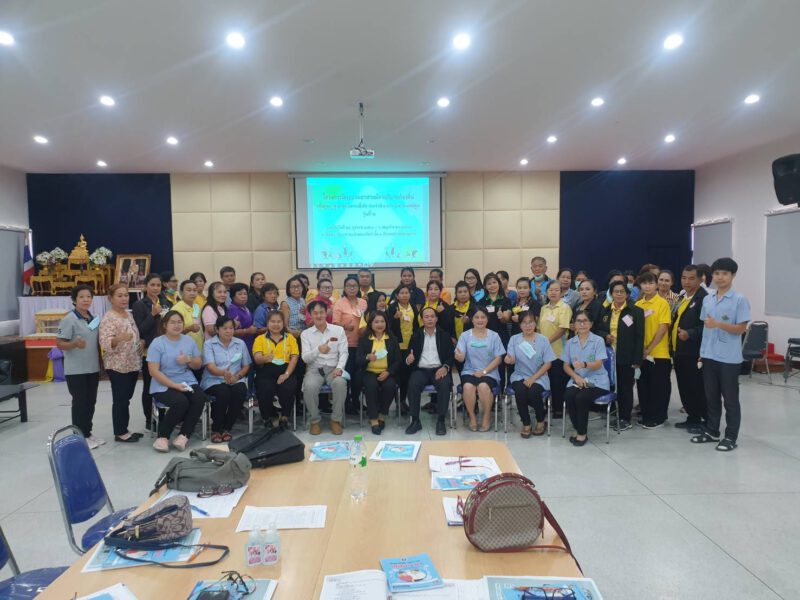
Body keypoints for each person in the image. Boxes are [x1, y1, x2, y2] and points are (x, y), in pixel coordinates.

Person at [691, 258, 750, 452]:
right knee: (711, 397)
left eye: (725, 273)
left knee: (730, 399)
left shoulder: (739, 299)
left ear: (733, 275)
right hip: (709, 356)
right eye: (717, 273)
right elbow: (706, 329)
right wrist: (701, 354)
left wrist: (719, 324)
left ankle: (731, 436)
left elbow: (741, 329)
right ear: (711, 276)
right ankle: (711, 431)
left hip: (729, 359)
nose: (720, 277)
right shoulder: (708, 299)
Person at [148, 310, 207, 452]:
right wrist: (174, 385)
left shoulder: (189, 340)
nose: (176, 325)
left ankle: (184, 435)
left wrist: (189, 360)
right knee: (181, 401)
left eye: (179, 322)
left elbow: (198, 364)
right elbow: (153, 371)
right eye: (172, 322)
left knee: (199, 397)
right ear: (164, 325)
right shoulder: (157, 343)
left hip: (186, 379)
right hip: (163, 382)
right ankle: (162, 437)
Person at [56, 285, 103, 448]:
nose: (85, 300)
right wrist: (74, 344)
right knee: (80, 402)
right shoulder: (69, 318)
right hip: (76, 370)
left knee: (91, 401)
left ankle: (88, 433)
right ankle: (78, 436)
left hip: (92, 367)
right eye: (81, 297)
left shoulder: (94, 318)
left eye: (89, 297)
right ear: (75, 300)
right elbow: (60, 343)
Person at [597, 281, 644, 432]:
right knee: (612, 386)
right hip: (608, 357)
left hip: (626, 356)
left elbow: (639, 337)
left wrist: (637, 360)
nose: (618, 294)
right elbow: (598, 330)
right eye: (615, 291)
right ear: (611, 294)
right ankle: (614, 415)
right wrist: (605, 336)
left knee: (625, 388)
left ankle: (625, 418)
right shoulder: (605, 311)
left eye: (621, 291)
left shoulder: (635, 311)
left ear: (627, 294)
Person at [99, 284, 144, 443]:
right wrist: (118, 339)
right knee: (120, 399)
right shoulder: (109, 318)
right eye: (119, 295)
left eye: (126, 295)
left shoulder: (127, 314)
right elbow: (104, 342)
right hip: (118, 365)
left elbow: (133, 335)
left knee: (127, 397)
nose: (124, 298)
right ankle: (120, 432)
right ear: (110, 298)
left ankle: (125, 429)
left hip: (132, 362)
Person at [562, 310, 610, 446]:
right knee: (569, 395)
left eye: (585, 321)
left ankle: (582, 434)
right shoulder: (570, 342)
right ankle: (577, 428)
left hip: (597, 380)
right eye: (578, 321)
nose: (582, 324)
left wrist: (584, 364)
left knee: (581, 398)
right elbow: (565, 365)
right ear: (574, 324)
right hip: (578, 379)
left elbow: (599, 363)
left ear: (591, 324)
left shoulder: (598, 341)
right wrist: (576, 377)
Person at [301, 300, 349, 435]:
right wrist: (318, 350)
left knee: (340, 383)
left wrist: (340, 368)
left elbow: (344, 352)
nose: (319, 315)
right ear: (310, 314)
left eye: (321, 312)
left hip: (333, 368)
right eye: (315, 313)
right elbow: (305, 358)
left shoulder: (338, 330)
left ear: (326, 312)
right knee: (309, 386)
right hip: (314, 370)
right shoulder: (306, 334)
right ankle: (315, 421)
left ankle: (335, 420)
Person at [505, 311, 556, 437]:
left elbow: (548, 363)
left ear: (535, 323)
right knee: (520, 391)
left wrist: (533, 378)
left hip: (539, 376)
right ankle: (526, 423)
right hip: (520, 375)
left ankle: (540, 420)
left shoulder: (543, 340)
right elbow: (511, 358)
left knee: (533, 392)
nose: (528, 326)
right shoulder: (514, 339)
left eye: (531, 322)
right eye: (524, 323)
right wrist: (509, 359)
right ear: (520, 325)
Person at [405, 306, 455, 435]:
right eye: (426, 317)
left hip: (439, 369)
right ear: (422, 319)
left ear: (437, 319)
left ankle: (441, 420)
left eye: (432, 316)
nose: (430, 319)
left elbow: (451, 356)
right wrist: (409, 359)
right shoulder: (416, 335)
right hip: (421, 369)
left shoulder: (444, 335)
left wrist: (445, 367)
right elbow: (409, 354)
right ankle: (415, 420)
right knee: (413, 384)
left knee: (445, 385)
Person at [201, 315, 251, 443]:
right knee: (223, 393)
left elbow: (246, 366)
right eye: (225, 328)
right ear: (217, 329)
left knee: (239, 391)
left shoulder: (240, 343)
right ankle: (217, 429)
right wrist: (224, 374)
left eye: (231, 328)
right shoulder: (209, 344)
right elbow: (211, 367)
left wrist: (237, 376)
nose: (228, 331)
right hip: (214, 379)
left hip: (236, 379)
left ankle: (227, 428)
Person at [455, 307, 505, 432]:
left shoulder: (494, 336)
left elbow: (499, 358)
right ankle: (472, 417)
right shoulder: (465, 335)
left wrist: (484, 372)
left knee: (483, 386)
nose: (480, 320)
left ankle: (487, 416)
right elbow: (460, 356)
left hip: (489, 371)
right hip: (469, 370)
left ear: (487, 319)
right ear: (472, 320)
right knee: (467, 387)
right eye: (476, 317)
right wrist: (459, 357)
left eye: (483, 317)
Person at [671, 265, 708, 434]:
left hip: (694, 351)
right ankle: (692, 416)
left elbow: (707, 326)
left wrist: (690, 333)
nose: (686, 281)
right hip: (679, 350)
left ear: (701, 279)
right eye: (683, 277)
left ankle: (705, 420)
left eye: (691, 278)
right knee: (684, 386)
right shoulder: (682, 297)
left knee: (697, 387)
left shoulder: (704, 299)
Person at [634, 272, 672, 429]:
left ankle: (659, 418)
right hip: (641, 355)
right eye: (644, 283)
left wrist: (649, 348)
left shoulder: (662, 303)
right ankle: (647, 415)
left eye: (650, 283)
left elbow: (663, 328)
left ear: (656, 285)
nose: (647, 286)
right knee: (643, 386)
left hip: (659, 354)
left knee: (659, 387)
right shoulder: (637, 305)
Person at [253, 311, 299, 429]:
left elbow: (294, 357)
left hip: (286, 370)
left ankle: (284, 417)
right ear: (267, 323)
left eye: (279, 321)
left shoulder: (290, 338)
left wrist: (286, 374)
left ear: (283, 323)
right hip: (266, 371)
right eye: (273, 321)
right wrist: (265, 358)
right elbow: (257, 359)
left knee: (288, 387)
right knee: (265, 389)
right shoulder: (260, 339)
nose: (276, 324)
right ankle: (266, 417)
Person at [357, 311, 401, 434]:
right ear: (370, 324)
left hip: (387, 372)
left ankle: (382, 413)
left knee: (390, 385)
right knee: (371, 386)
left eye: (382, 321)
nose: (380, 324)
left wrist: (388, 372)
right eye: (376, 322)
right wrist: (367, 357)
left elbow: (398, 360)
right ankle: (373, 418)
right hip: (369, 372)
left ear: (386, 323)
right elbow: (358, 360)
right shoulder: (365, 340)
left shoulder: (392, 339)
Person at [132, 273, 165, 430]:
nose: (156, 288)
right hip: (149, 351)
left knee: (164, 385)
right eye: (152, 285)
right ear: (146, 286)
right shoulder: (139, 305)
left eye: (158, 285)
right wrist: (153, 314)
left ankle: (163, 416)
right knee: (149, 387)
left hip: (166, 350)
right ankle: (149, 419)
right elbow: (140, 329)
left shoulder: (164, 302)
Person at [333, 275, 368, 412]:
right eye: (349, 285)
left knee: (358, 375)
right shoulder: (339, 303)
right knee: (346, 374)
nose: (352, 288)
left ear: (358, 287)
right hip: (345, 345)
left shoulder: (363, 303)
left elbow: (367, 320)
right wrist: (344, 326)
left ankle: (356, 400)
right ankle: (346, 402)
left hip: (361, 344)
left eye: (354, 285)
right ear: (345, 288)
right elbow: (335, 323)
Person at [538, 280, 572, 415]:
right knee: (546, 380)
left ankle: (558, 409)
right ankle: (547, 405)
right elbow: (539, 329)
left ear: (561, 292)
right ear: (546, 292)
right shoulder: (543, 308)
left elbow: (563, 329)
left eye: (556, 290)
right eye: (550, 290)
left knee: (558, 381)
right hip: (544, 352)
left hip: (559, 351)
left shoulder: (564, 307)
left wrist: (546, 342)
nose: (553, 292)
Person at [386, 283, 419, 405]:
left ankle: (404, 400)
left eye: (407, 293)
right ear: (397, 295)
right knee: (398, 375)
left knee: (408, 374)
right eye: (402, 293)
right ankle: (398, 400)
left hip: (410, 345)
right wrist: (394, 318)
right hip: (396, 346)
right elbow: (387, 327)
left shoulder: (413, 307)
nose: (405, 295)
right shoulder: (392, 307)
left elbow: (416, 325)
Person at [478, 273, 513, 385]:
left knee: (501, 365)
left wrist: (502, 317)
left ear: (499, 284)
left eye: (494, 282)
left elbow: (507, 318)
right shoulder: (481, 302)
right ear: (485, 286)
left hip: (501, 337)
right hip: (485, 338)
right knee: (486, 363)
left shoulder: (505, 301)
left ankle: (501, 393)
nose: (492, 285)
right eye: (489, 283)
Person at [171, 280, 204, 355]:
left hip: (198, 349)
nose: (192, 293)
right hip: (183, 351)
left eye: (195, 290)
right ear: (181, 292)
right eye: (189, 290)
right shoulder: (177, 309)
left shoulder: (197, 307)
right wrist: (189, 329)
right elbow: (172, 333)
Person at [228, 282, 257, 353]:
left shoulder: (245, 307)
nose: (243, 296)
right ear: (233, 296)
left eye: (245, 294)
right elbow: (230, 331)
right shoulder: (233, 310)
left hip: (249, 344)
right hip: (239, 347)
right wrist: (247, 331)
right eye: (240, 294)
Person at [281, 276, 307, 340]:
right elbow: (285, 326)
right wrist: (293, 333)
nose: (296, 289)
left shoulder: (303, 300)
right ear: (288, 289)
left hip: (304, 334)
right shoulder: (285, 303)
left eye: (298, 286)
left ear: (302, 288)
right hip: (291, 336)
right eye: (293, 287)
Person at [450, 281, 475, 345]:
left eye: (465, 291)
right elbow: (448, 325)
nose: (463, 294)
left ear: (469, 293)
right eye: (460, 292)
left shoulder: (475, 307)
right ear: (456, 294)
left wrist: (469, 321)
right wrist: (452, 337)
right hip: (454, 342)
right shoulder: (451, 308)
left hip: (472, 341)